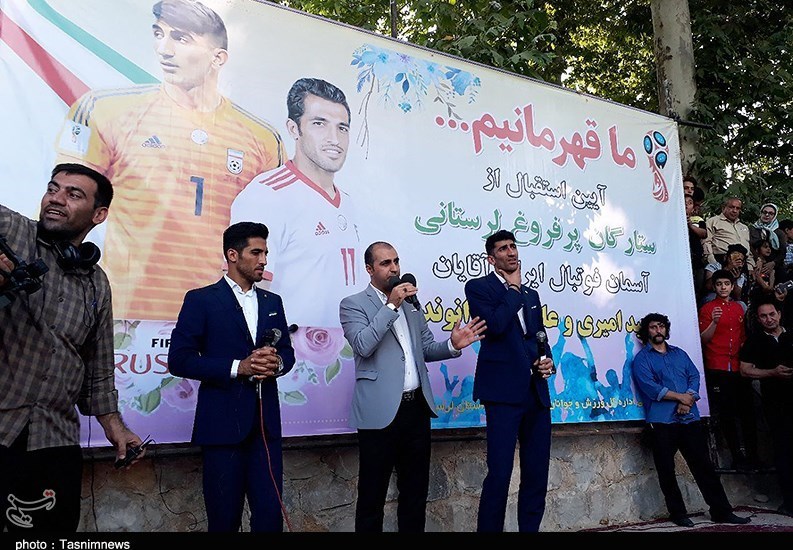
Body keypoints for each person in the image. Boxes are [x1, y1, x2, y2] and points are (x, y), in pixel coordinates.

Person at [55, 0, 286, 321]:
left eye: (181, 38)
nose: (164, 48)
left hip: (225, 316)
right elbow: (65, 208)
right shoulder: (105, 110)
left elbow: (273, 239)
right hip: (126, 315)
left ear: (218, 58)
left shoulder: (262, 137)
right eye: (158, 34)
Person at [0, 163, 144, 531]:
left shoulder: (97, 283)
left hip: (55, 440)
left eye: (73, 194)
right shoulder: (14, 231)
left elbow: (98, 368)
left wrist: (115, 427)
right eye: (53, 189)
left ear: (99, 215)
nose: (56, 198)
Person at [339, 241, 486, 532]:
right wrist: (391, 305)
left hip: (416, 409)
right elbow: (363, 345)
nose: (394, 268)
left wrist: (452, 345)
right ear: (369, 269)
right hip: (380, 413)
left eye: (396, 261)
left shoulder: (411, 305)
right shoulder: (353, 304)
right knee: (372, 497)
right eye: (385, 263)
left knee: (415, 494)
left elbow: (426, 348)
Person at [167, 221, 296, 532]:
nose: (264, 260)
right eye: (256, 253)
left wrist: (275, 363)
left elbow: (288, 354)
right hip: (222, 428)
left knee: (270, 519)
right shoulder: (201, 300)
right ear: (232, 255)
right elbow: (180, 360)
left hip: (265, 429)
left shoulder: (272, 302)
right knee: (224, 521)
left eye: (266, 253)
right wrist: (240, 367)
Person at [231, 77, 361, 329]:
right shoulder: (267, 195)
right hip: (288, 349)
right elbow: (246, 292)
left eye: (342, 128)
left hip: (346, 349)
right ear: (293, 129)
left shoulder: (347, 203)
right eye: (319, 124)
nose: (334, 139)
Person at [464, 229, 556, 532]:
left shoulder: (532, 295)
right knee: (500, 474)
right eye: (503, 248)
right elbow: (496, 325)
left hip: (536, 393)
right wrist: (513, 289)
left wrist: (547, 360)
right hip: (502, 393)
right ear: (491, 259)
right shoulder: (478, 288)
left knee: (536, 473)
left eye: (513, 246)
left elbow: (539, 336)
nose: (511, 252)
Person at [631, 312, 750, 527]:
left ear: (666, 329)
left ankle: (721, 511)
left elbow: (694, 376)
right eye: (653, 327)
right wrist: (680, 397)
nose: (658, 330)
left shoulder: (680, 354)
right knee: (667, 470)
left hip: (689, 418)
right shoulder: (642, 359)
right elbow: (650, 387)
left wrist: (688, 400)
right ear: (646, 331)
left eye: (661, 326)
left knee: (704, 467)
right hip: (662, 422)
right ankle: (678, 513)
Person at [698, 270, 757, 471]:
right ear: (714, 287)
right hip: (718, 366)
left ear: (732, 286)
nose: (723, 287)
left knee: (747, 413)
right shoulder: (707, 308)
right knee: (727, 415)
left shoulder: (739, 308)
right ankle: (737, 457)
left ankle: (753, 456)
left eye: (726, 284)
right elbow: (703, 339)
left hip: (739, 366)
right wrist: (714, 322)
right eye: (719, 284)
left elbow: (743, 336)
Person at [739, 300, 793, 517]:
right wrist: (772, 373)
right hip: (776, 406)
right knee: (784, 452)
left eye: (772, 314)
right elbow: (744, 370)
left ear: (779, 314)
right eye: (764, 316)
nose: (769, 319)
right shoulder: (755, 341)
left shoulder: (791, 335)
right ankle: (789, 502)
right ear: (758, 319)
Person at [703, 196, 754, 270]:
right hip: (722, 261)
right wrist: (713, 263)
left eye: (738, 208)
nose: (735, 211)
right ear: (723, 208)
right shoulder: (713, 222)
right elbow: (706, 242)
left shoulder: (744, 227)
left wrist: (750, 266)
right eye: (732, 207)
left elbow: (747, 247)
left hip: (743, 262)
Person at [749, 203, 786, 277]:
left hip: (775, 268)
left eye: (771, 213)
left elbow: (782, 252)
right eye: (765, 212)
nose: (767, 215)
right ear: (761, 213)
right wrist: (758, 259)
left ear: (774, 216)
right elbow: (749, 246)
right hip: (755, 264)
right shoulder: (752, 229)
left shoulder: (779, 232)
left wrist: (773, 263)